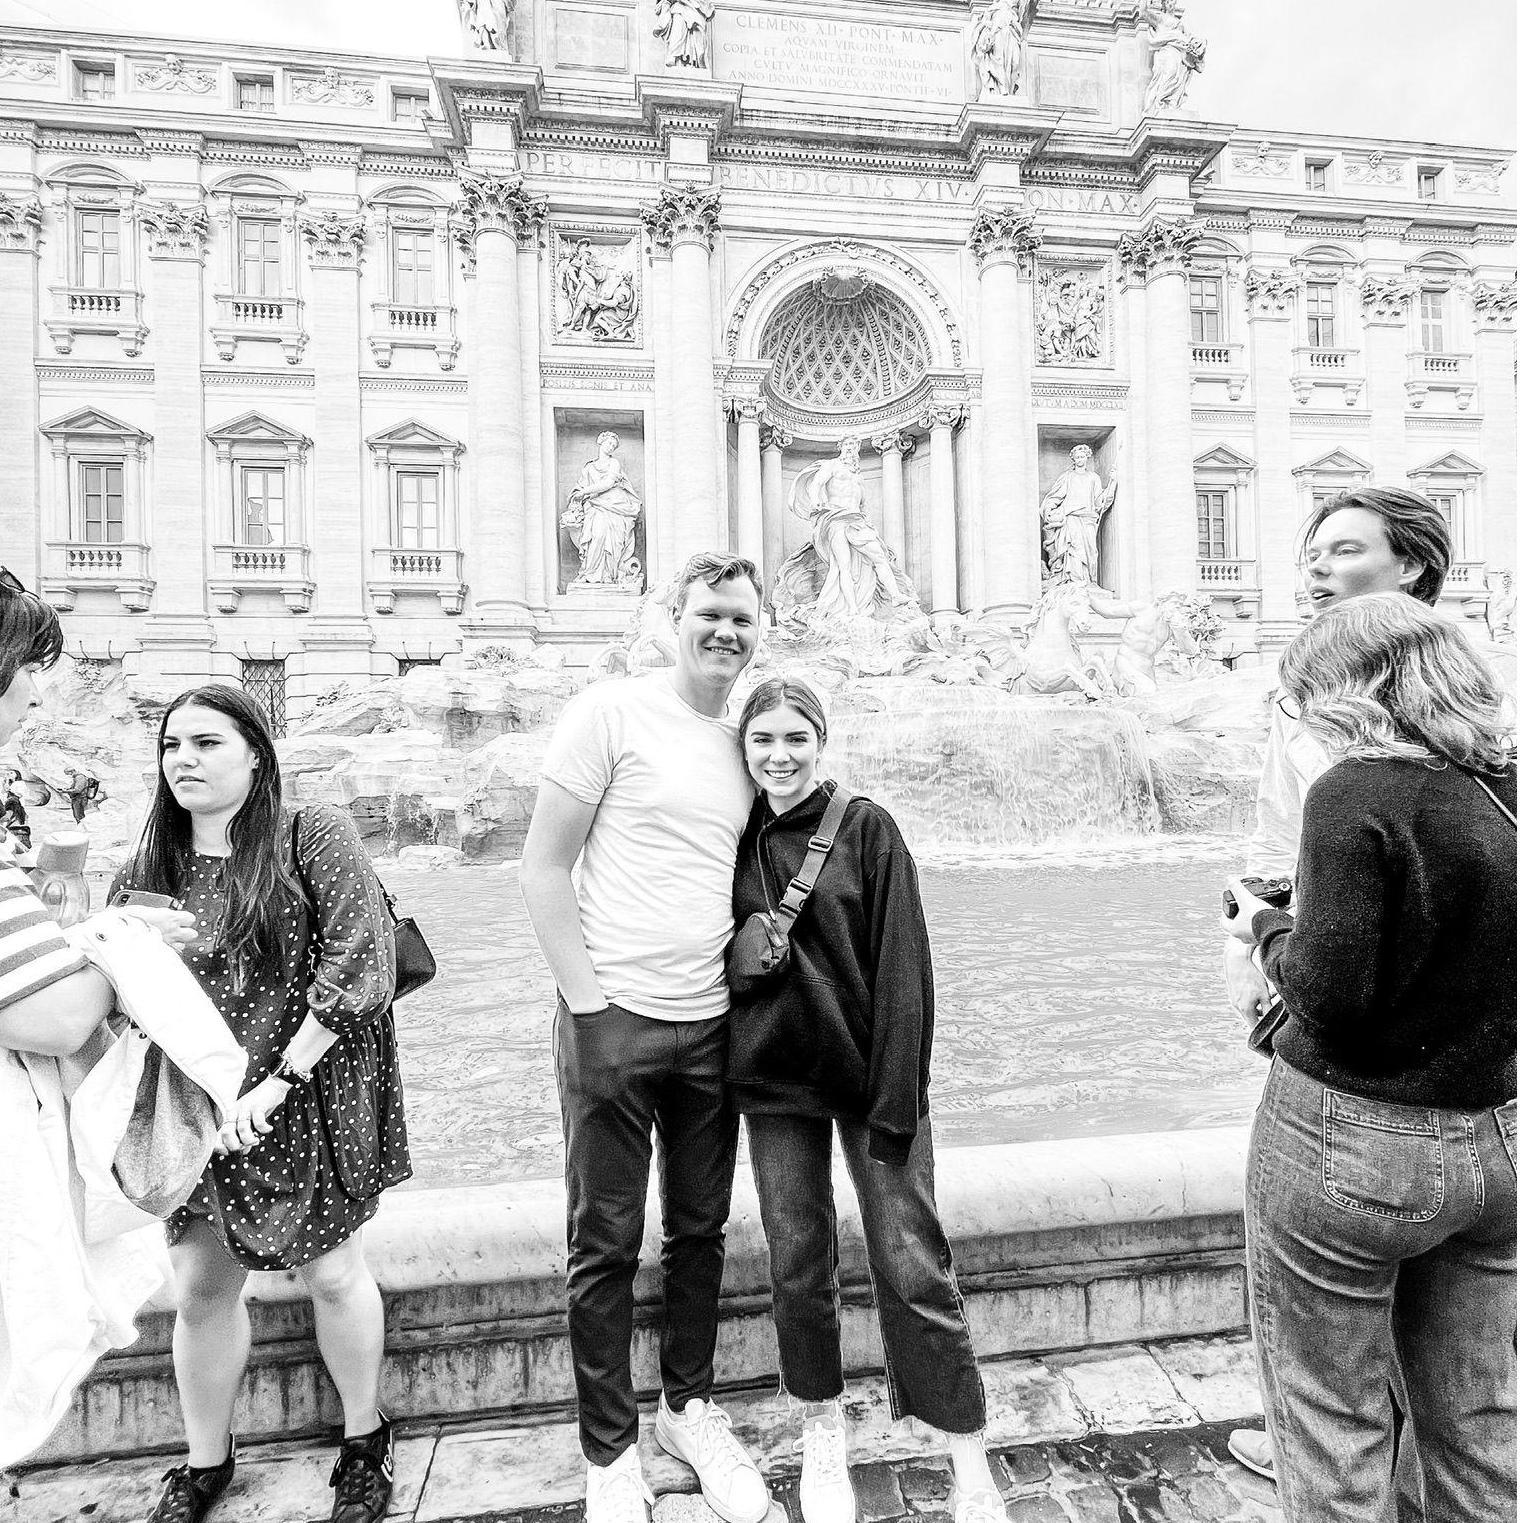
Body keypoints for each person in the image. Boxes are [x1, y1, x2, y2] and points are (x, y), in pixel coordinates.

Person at [1222, 593, 1515, 1522]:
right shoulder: (1506, 784)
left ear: (1357, 687)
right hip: (1495, 1142)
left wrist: (1263, 925)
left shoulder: (1353, 790)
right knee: (1477, 1429)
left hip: (1347, 1143)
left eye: (1311, 693)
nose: (1304, 716)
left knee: (1330, 1428)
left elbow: (1330, 992)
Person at [117, 684, 409, 1523]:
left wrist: (279, 1081)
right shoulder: (148, 864)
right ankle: (205, 1459)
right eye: (172, 746)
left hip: (310, 1092)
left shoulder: (308, 832)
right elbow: (119, 990)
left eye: (207, 743)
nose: (184, 760)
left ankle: (364, 1436)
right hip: (204, 1109)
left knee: (331, 1271)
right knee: (201, 1286)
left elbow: (363, 959)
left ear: (255, 751)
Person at [519, 553, 769, 1523]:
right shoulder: (609, 712)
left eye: (742, 618)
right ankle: (607, 1450)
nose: (725, 632)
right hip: (612, 1017)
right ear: (672, 616)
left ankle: (687, 1406)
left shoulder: (749, 738)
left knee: (700, 1230)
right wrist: (587, 1006)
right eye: (709, 612)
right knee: (604, 1242)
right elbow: (542, 867)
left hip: (711, 1024)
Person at [727, 677, 1003, 1523]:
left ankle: (965, 1452)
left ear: (821, 739)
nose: (778, 755)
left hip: (871, 1080)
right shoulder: (730, 834)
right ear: (743, 747)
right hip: (775, 1086)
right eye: (762, 739)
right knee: (797, 1264)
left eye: (794, 738)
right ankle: (822, 1432)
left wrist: (897, 1101)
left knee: (913, 1262)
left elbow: (904, 970)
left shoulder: (866, 826)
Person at [1222, 485, 1453, 1490]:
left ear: (1407, 566)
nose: (1312, 566)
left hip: (1356, 1020)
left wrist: (1272, 941)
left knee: (1327, 1266)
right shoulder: (1312, 689)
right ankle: (1406, 1456)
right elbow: (1281, 840)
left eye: (1341, 549)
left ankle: (1329, 1449)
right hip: (1437, 1039)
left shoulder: (1434, 696)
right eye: (1309, 549)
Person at [562, 432, 644, 587]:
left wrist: (585, 492)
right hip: (595, 507)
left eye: (614, 446)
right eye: (609, 443)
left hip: (614, 505)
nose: (611, 447)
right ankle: (590, 574)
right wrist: (577, 495)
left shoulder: (614, 464)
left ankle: (609, 575)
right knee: (597, 536)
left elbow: (608, 483)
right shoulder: (589, 467)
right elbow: (579, 487)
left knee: (613, 541)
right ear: (600, 442)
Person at [1039, 445, 1116, 586]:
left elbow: (1100, 502)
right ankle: (1073, 581)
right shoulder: (1067, 477)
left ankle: (1088, 581)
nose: (1080, 459)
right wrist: (1049, 509)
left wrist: (1112, 483)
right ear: (1073, 459)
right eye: (1077, 457)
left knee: (1090, 552)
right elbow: (1055, 497)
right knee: (1073, 550)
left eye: (1083, 456)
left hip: (1088, 519)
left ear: (1087, 457)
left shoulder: (1094, 478)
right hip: (1071, 518)